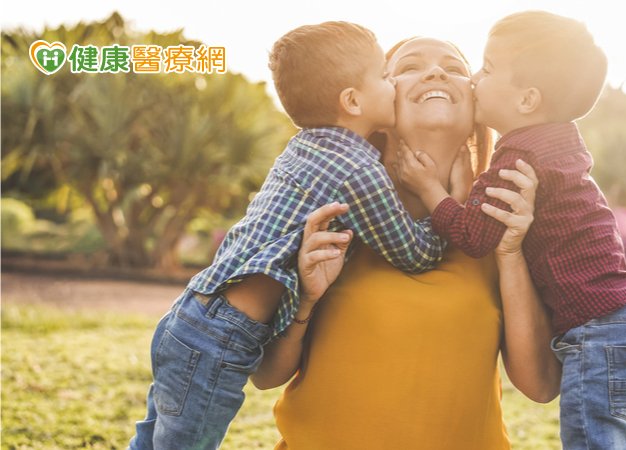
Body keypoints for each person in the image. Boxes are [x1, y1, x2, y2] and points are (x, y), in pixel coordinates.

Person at [129, 21, 447, 450]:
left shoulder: (305, 144)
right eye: (385, 77)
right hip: (222, 336)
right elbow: (417, 254)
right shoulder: (359, 170)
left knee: (150, 442)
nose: (393, 85)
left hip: (190, 316)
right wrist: (445, 197)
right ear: (352, 101)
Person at [260, 36, 561, 450]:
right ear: (371, 101)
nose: (436, 72)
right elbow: (265, 375)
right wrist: (306, 300)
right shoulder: (331, 209)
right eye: (409, 67)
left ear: (477, 107)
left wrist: (509, 252)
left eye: (455, 68)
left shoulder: (505, 220)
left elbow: (540, 386)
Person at [396, 10, 626, 449]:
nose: (472, 80)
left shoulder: (518, 156)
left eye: (483, 69)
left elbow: (473, 236)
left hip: (597, 330)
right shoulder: (562, 141)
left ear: (526, 100)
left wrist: (432, 190)